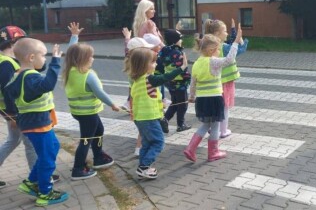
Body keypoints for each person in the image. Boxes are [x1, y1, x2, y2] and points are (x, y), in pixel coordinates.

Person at [3, 38, 69, 206]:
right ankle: (45, 192)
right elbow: (48, 84)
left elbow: (8, 93)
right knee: (47, 157)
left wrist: (14, 114)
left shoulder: (18, 76)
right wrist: (55, 62)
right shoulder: (31, 77)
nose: (45, 59)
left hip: (34, 123)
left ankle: (31, 181)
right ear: (31, 58)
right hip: (37, 125)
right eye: (43, 56)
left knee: (53, 147)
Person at [63, 23, 120, 180]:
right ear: (83, 60)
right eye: (91, 57)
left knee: (99, 131)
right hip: (88, 113)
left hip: (79, 112)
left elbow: (70, 52)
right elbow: (99, 92)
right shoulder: (88, 75)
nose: (93, 59)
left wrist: (74, 36)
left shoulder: (70, 69)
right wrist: (113, 104)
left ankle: (99, 156)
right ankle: (78, 169)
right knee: (86, 140)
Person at [183, 26, 243, 163]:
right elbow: (229, 60)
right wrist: (235, 42)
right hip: (214, 98)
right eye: (217, 50)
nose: (218, 52)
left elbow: (193, 82)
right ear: (211, 50)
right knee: (215, 125)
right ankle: (213, 152)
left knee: (205, 125)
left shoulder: (197, 63)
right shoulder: (213, 61)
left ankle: (191, 148)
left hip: (202, 100)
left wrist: (191, 96)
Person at [126, 47, 184, 179]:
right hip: (149, 118)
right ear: (143, 65)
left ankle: (142, 168)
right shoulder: (149, 79)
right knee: (158, 142)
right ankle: (144, 167)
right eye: (153, 62)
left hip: (140, 118)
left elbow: (135, 99)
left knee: (147, 143)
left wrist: (159, 103)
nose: (156, 64)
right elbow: (166, 77)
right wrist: (181, 68)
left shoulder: (136, 82)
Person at [203, 19, 248, 138]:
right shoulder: (225, 47)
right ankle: (223, 131)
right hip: (226, 82)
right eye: (225, 31)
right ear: (217, 33)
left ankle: (214, 129)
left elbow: (231, 42)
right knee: (225, 107)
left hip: (215, 83)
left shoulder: (210, 47)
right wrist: (240, 37)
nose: (227, 33)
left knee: (217, 108)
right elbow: (240, 49)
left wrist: (234, 32)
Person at [157, 29, 191, 132]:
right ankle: (181, 124)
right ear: (175, 40)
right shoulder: (177, 53)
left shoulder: (164, 50)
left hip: (169, 82)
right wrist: (187, 79)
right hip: (180, 83)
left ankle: (165, 119)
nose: (181, 41)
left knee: (175, 102)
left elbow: (159, 66)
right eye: (180, 39)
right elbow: (182, 69)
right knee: (183, 104)